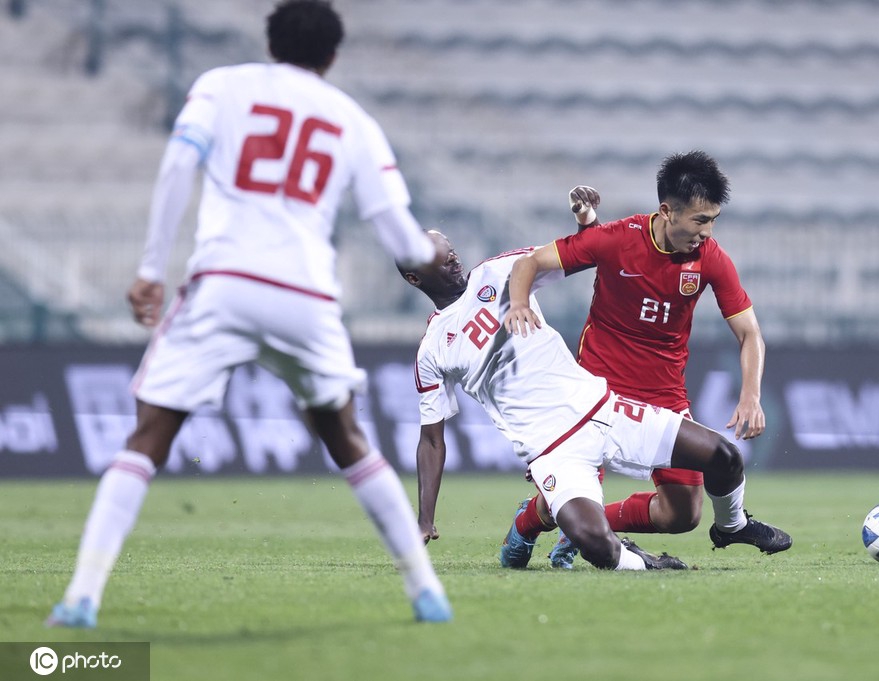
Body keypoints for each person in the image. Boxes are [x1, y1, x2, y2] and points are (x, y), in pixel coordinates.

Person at [46, 0, 451, 628]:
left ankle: (82, 596)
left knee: (148, 437)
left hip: (225, 281)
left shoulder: (220, 86)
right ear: (333, 57)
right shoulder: (353, 120)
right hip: (307, 295)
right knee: (347, 438)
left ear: (270, 41)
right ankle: (426, 592)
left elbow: (179, 163)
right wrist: (428, 251)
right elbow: (400, 239)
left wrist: (151, 267)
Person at [400, 230, 791, 572]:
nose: (451, 256)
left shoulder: (499, 271)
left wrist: (585, 225)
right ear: (414, 276)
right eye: (437, 253)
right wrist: (424, 519)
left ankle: (732, 526)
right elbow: (431, 440)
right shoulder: (432, 349)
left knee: (722, 457)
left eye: (449, 247)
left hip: (604, 409)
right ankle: (644, 562)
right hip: (552, 450)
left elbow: (574, 256)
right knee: (595, 543)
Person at [503, 150, 786, 569]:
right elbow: (531, 262)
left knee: (683, 514)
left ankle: (586, 530)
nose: (707, 232)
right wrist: (519, 303)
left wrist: (751, 395)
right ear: (667, 211)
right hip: (597, 393)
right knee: (567, 494)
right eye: (700, 221)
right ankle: (527, 525)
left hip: (663, 393)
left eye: (713, 220)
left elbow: (750, 334)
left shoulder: (709, 259)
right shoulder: (617, 239)